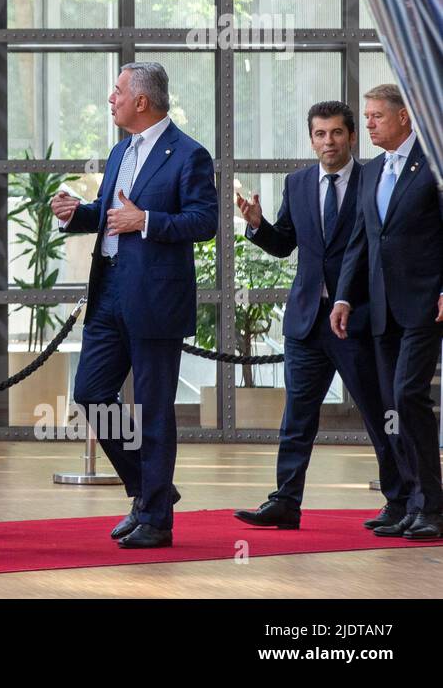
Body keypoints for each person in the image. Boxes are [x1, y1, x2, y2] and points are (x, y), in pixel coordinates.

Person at [50, 62, 216, 549]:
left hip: (156, 299)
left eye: (117, 91)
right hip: (108, 294)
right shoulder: (121, 149)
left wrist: (147, 221)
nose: (111, 99)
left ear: (142, 101)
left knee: (153, 411)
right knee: (91, 394)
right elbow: (110, 215)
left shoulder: (189, 154)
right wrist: (75, 214)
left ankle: (157, 520)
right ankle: (147, 489)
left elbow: (204, 220)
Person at [234, 100, 405, 530]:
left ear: (350, 136)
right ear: (311, 139)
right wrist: (257, 226)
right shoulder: (298, 183)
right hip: (307, 321)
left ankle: (400, 501)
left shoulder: (375, 179)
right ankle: (285, 501)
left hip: (360, 320)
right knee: (297, 417)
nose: (328, 141)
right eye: (320, 134)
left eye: (336, 133)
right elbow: (285, 243)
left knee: (379, 414)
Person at [332, 84, 443, 540]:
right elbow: (361, 239)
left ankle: (432, 505)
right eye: (368, 115)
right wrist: (342, 297)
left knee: (408, 394)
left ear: (405, 119)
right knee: (391, 406)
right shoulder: (372, 170)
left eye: (377, 116)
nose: (370, 123)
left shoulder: (433, 166)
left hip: (424, 304)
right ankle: (407, 501)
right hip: (380, 308)